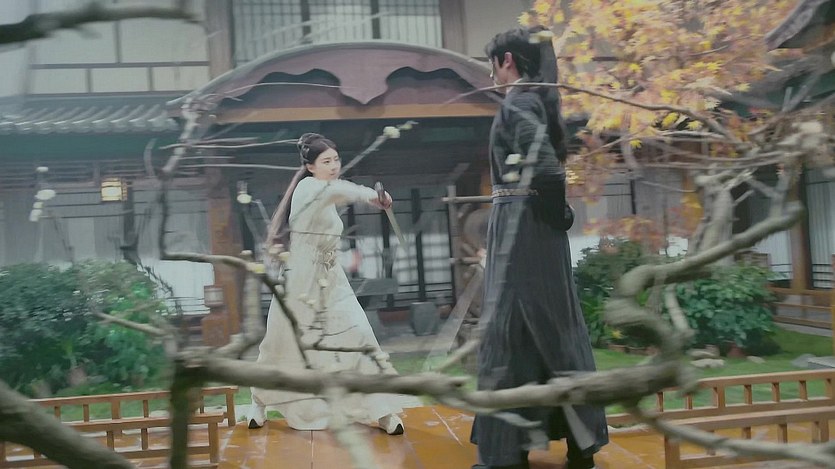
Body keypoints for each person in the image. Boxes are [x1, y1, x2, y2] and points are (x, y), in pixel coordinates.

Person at [469, 26, 609, 469]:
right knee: (546, 330)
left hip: (524, 230)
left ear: (507, 60)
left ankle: (506, 453)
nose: (490, 73)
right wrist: (553, 217)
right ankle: (574, 449)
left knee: (512, 332)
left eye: (491, 64)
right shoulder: (532, 101)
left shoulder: (520, 102)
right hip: (530, 229)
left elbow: (546, 171)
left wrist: (558, 215)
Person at [247, 133, 404, 435]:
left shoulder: (327, 190)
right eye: (326, 161)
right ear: (310, 166)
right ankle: (259, 402)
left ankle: (383, 410)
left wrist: (375, 199)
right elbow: (341, 189)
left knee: (359, 334)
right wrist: (372, 196)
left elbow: (338, 193)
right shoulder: (309, 188)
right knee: (282, 343)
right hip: (300, 281)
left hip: (332, 279)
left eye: (336, 160)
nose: (334, 166)